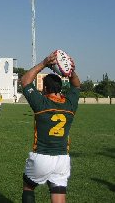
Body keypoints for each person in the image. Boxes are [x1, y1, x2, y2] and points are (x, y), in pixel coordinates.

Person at [20, 51, 80, 203]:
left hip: (42, 156)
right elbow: (76, 85)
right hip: (62, 159)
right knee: (58, 195)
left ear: (45, 89)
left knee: (28, 186)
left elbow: (25, 81)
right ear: (60, 88)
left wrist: (44, 63)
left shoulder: (41, 103)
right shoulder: (70, 104)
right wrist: (70, 71)